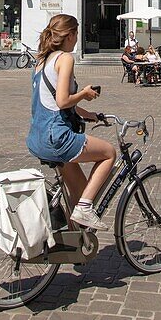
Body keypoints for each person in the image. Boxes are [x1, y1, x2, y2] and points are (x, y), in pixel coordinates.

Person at [25, 14, 116, 230]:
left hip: (38, 137)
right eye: (77, 34)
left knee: (80, 191)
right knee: (109, 153)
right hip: (57, 137)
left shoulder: (41, 62)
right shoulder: (65, 59)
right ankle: (85, 209)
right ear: (70, 35)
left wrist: (91, 115)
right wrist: (84, 93)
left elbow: (53, 103)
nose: (77, 39)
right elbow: (63, 100)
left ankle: (74, 243)